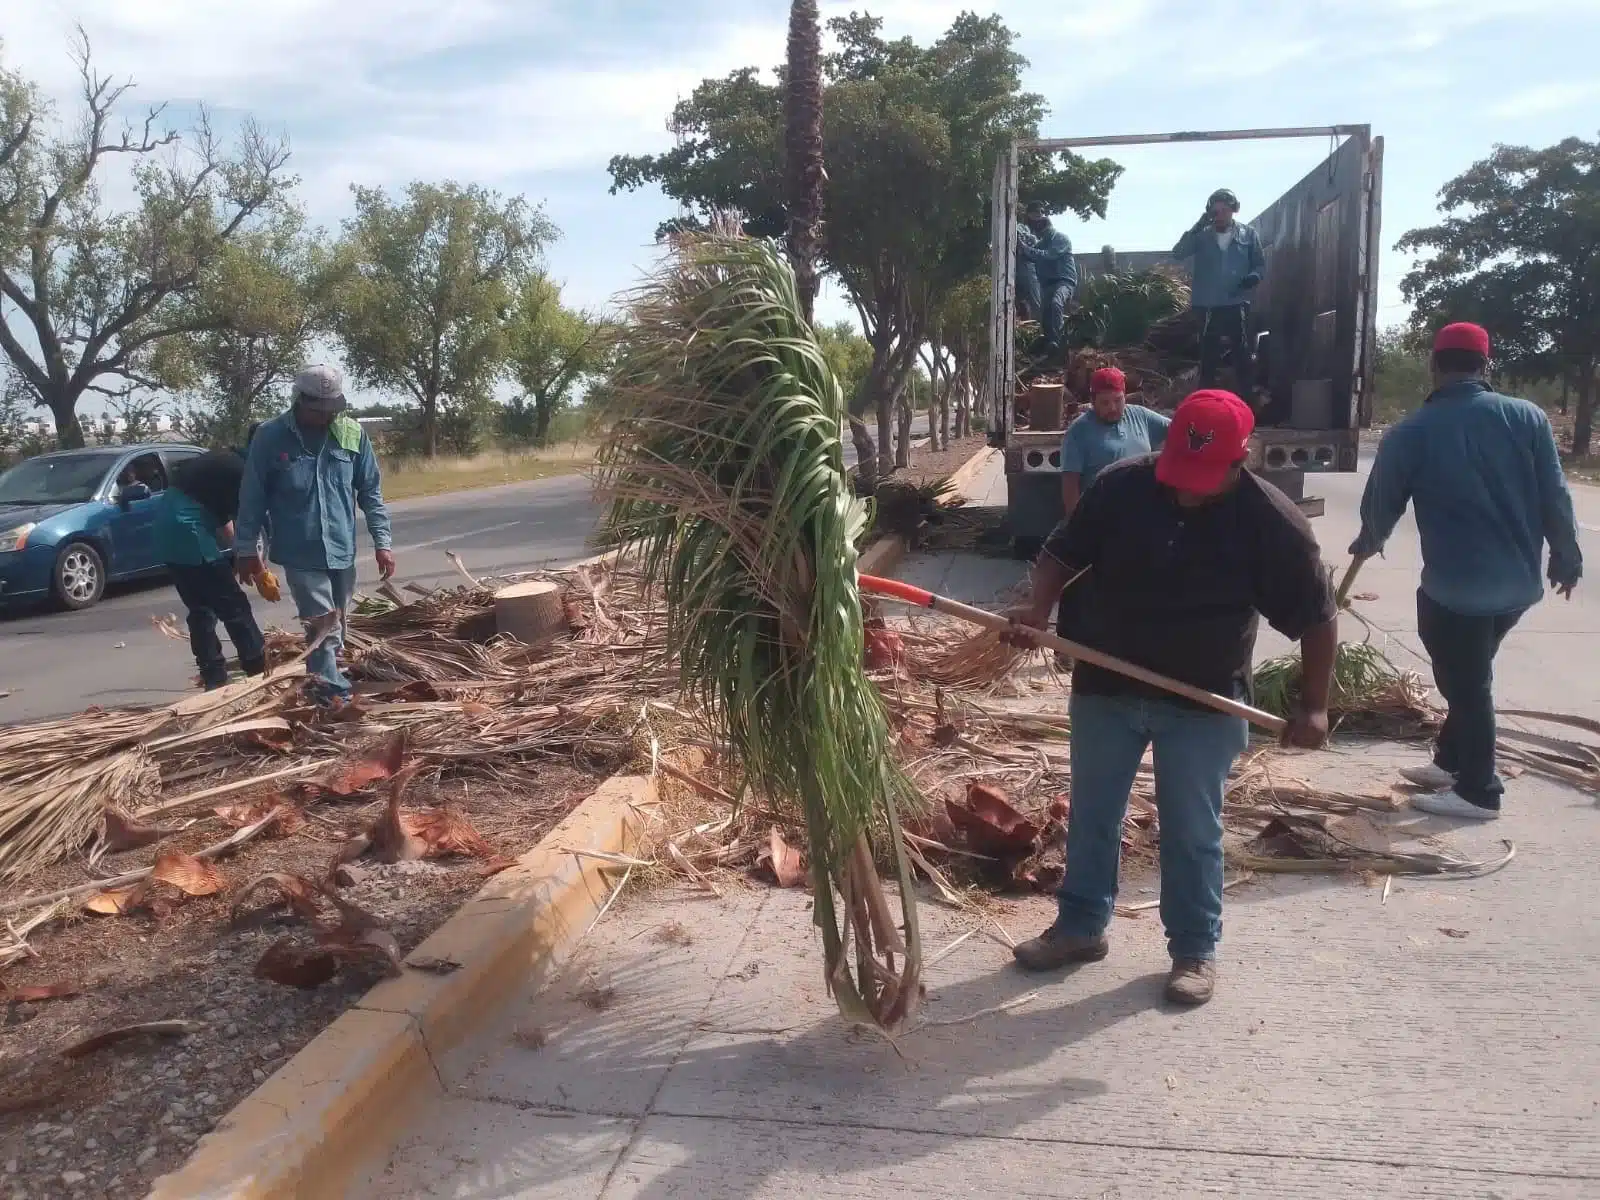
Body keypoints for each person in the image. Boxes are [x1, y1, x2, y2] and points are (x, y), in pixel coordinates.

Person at [1007, 389, 1337, 1006]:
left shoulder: (1271, 522)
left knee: (1191, 830)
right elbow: (1061, 550)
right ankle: (1079, 927)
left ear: (1242, 461)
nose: (1187, 491)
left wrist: (1314, 704)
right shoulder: (1119, 487)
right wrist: (1038, 608)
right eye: (1180, 473)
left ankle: (1193, 948)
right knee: (1094, 814)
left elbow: (1317, 617)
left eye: (1204, 480)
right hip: (1106, 681)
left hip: (1204, 696)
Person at [1349, 322, 1582, 821]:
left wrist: (1370, 539)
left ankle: (1479, 791)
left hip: (1456, 590)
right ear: (1485, 365)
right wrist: (1566, 554)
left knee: (1467, 683)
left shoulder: (1412, 431)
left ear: (1435, 366)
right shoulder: (1529, 417)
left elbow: (1382, 500)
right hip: (1519, 585)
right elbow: (1555, 493)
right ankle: (1452, 760)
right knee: (1469, 671)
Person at [234, 365, 395, 705]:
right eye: (317, 410)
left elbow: (370, 492)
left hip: (342, 549)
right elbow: (252, 497)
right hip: (299, 551)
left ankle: (320, 681)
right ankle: (334, 698)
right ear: (300, 401)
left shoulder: (351, 433)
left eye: (330, 410)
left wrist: (383, 542)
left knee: (337, 621)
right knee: (325, 625)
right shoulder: (269, 436)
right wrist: (247, 549)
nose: (325, 417)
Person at [1054, 367, 1171, 667]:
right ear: (1093, 401)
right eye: (1105, 402)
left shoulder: (1140, 417)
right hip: (1097, 517)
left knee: (1133, 582)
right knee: (1079, 582)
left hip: (1140, 518)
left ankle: (1129, 646)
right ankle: (1064, 646)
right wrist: (1076, 526)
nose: (1112, 408)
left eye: (1117, 400)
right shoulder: (1079, 432)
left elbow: (1178, 431)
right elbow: (1070, 482)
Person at [154, 435, 266, 690]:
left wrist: (242, 553)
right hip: (189, 531)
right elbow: (245, 522)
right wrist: (257, 567)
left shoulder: (222, 460)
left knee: (201, 607)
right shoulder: (242, 472)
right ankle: (258, 667)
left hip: (165, 532)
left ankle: (213, 674)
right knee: (233, 605)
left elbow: (225, 518)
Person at [1173, 188, 1266, 401]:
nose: (1220, 215)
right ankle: (1205, 403)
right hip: (1207, 305)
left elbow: (1260, 265)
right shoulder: (1201, 236)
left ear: (1233, 210)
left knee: (1242, 354)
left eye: (1225, 210)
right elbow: (1178, 253)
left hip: (1236, 301)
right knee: (1208, 357)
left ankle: (1247, 404)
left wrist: (1253, 277)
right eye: (1216, 211)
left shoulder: (1248, 234)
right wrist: (1198, 225)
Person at [1016, 202, 1078, 362]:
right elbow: (1031, 255)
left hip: (1065, 281)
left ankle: (1057, 341)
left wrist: (1026, 248)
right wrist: (1020, 247)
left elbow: (1049, 255)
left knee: (1056, 303)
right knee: (1045, 313)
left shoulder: (1061, 239)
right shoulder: (1042, 242)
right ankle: (1050, 343)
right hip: (1048, 284)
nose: (1042, 233)